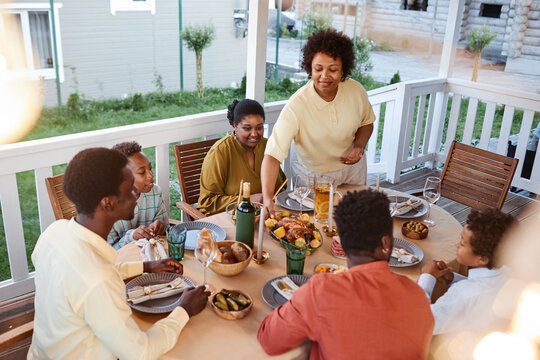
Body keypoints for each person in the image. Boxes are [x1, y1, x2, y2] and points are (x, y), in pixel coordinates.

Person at [29, 148, 210, 359]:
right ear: (108, 202)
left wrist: (146, 266)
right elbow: (141, 352)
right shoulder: (98, 280)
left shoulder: (54, 232)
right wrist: (184, 309)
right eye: (129, 188)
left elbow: (81, 277)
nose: (137, 193)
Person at [258, 189, 434, 359]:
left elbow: (269, 340)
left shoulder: (322, 291)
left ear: (341, 242)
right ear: (386, 242)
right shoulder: (418, 297)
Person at [261, 29, 375, 216]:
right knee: (315, 227)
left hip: (353, 171)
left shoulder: (356, 91)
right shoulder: (297, 104)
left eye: (333, 69)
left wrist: (359, 146)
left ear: (343, 69)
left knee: (354, 220)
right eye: (318, 69)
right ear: (309, 68)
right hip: (312, 176)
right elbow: (272, 155)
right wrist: (267, 197)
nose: (324, 76)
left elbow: (366, 122)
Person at [418, 208, 516, 335]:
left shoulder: (463, 294)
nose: (456, 244)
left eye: (462, 243)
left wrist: (427, 277)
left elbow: (421, 321)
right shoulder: (509, 274)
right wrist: (453, 278)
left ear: (482, 259)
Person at [197, 98, 286, 215]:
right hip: (228, 219)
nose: (254, 134)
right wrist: (246, 200)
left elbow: (281, 188)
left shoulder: (267, 146)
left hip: (264, 218)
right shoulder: (220, 152)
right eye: (247, 128)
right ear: (235, 126)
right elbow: (207, 202)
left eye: (259, 127)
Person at [108, 141, 168, 249]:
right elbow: (108, 250)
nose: (151, 175)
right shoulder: (108, 205)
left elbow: (165, 231)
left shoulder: (155, 192)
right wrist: (132, 236)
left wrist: (161, 227)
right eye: (142, 172)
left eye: (150, 168)